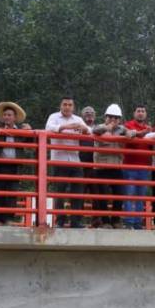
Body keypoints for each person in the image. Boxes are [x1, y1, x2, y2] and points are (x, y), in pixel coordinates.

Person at [45, 96, 90, 228]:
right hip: (59, 160)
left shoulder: (78, 119)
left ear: (73, 107)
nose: (67, 107)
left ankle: (76, 221)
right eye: (65, 104)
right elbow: (48, 128)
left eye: (70, 105)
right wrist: (67, 126)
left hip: (75, 160)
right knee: (60, 192)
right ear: (60, 106)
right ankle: (60, 221)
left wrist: (84, 128)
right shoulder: (53, 117)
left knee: (78, 192)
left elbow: (90, 131)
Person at [91, 104, 140, 228]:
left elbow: (133, 132)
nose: (113, 120)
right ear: (106, 117)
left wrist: (130, 133)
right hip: (101, 167)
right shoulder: (100, 128)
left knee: (119, 194)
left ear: (120, 119)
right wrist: (109, 127)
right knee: (102, 196)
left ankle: (115, 220)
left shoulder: (121, 129)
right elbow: (94, 130)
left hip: (116, 167)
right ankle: (105, 221)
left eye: (116, 118)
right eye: (111, 117)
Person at [122, 105, 153, 229]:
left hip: (144, 167)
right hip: (129, 166)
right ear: (134, 113)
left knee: (141, 197)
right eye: (138, 111)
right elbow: (129, 138)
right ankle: (129, 222)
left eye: (143, 111)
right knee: (129, 195)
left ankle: (138, 223)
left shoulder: (149, 129)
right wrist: (143, 133)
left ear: (145, 114)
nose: (141, 113)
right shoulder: (127, 125)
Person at [80, 106, 101, 214]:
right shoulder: (79, 128)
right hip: (81, 165)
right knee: (79, 193)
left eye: (92, 113)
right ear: (82, 116)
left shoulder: (99, 128)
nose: (89, 115)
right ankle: (76, 219)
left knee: (97, 193)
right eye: (87, 113)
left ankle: (97, 220)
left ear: (95, 115)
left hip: (96, 165)